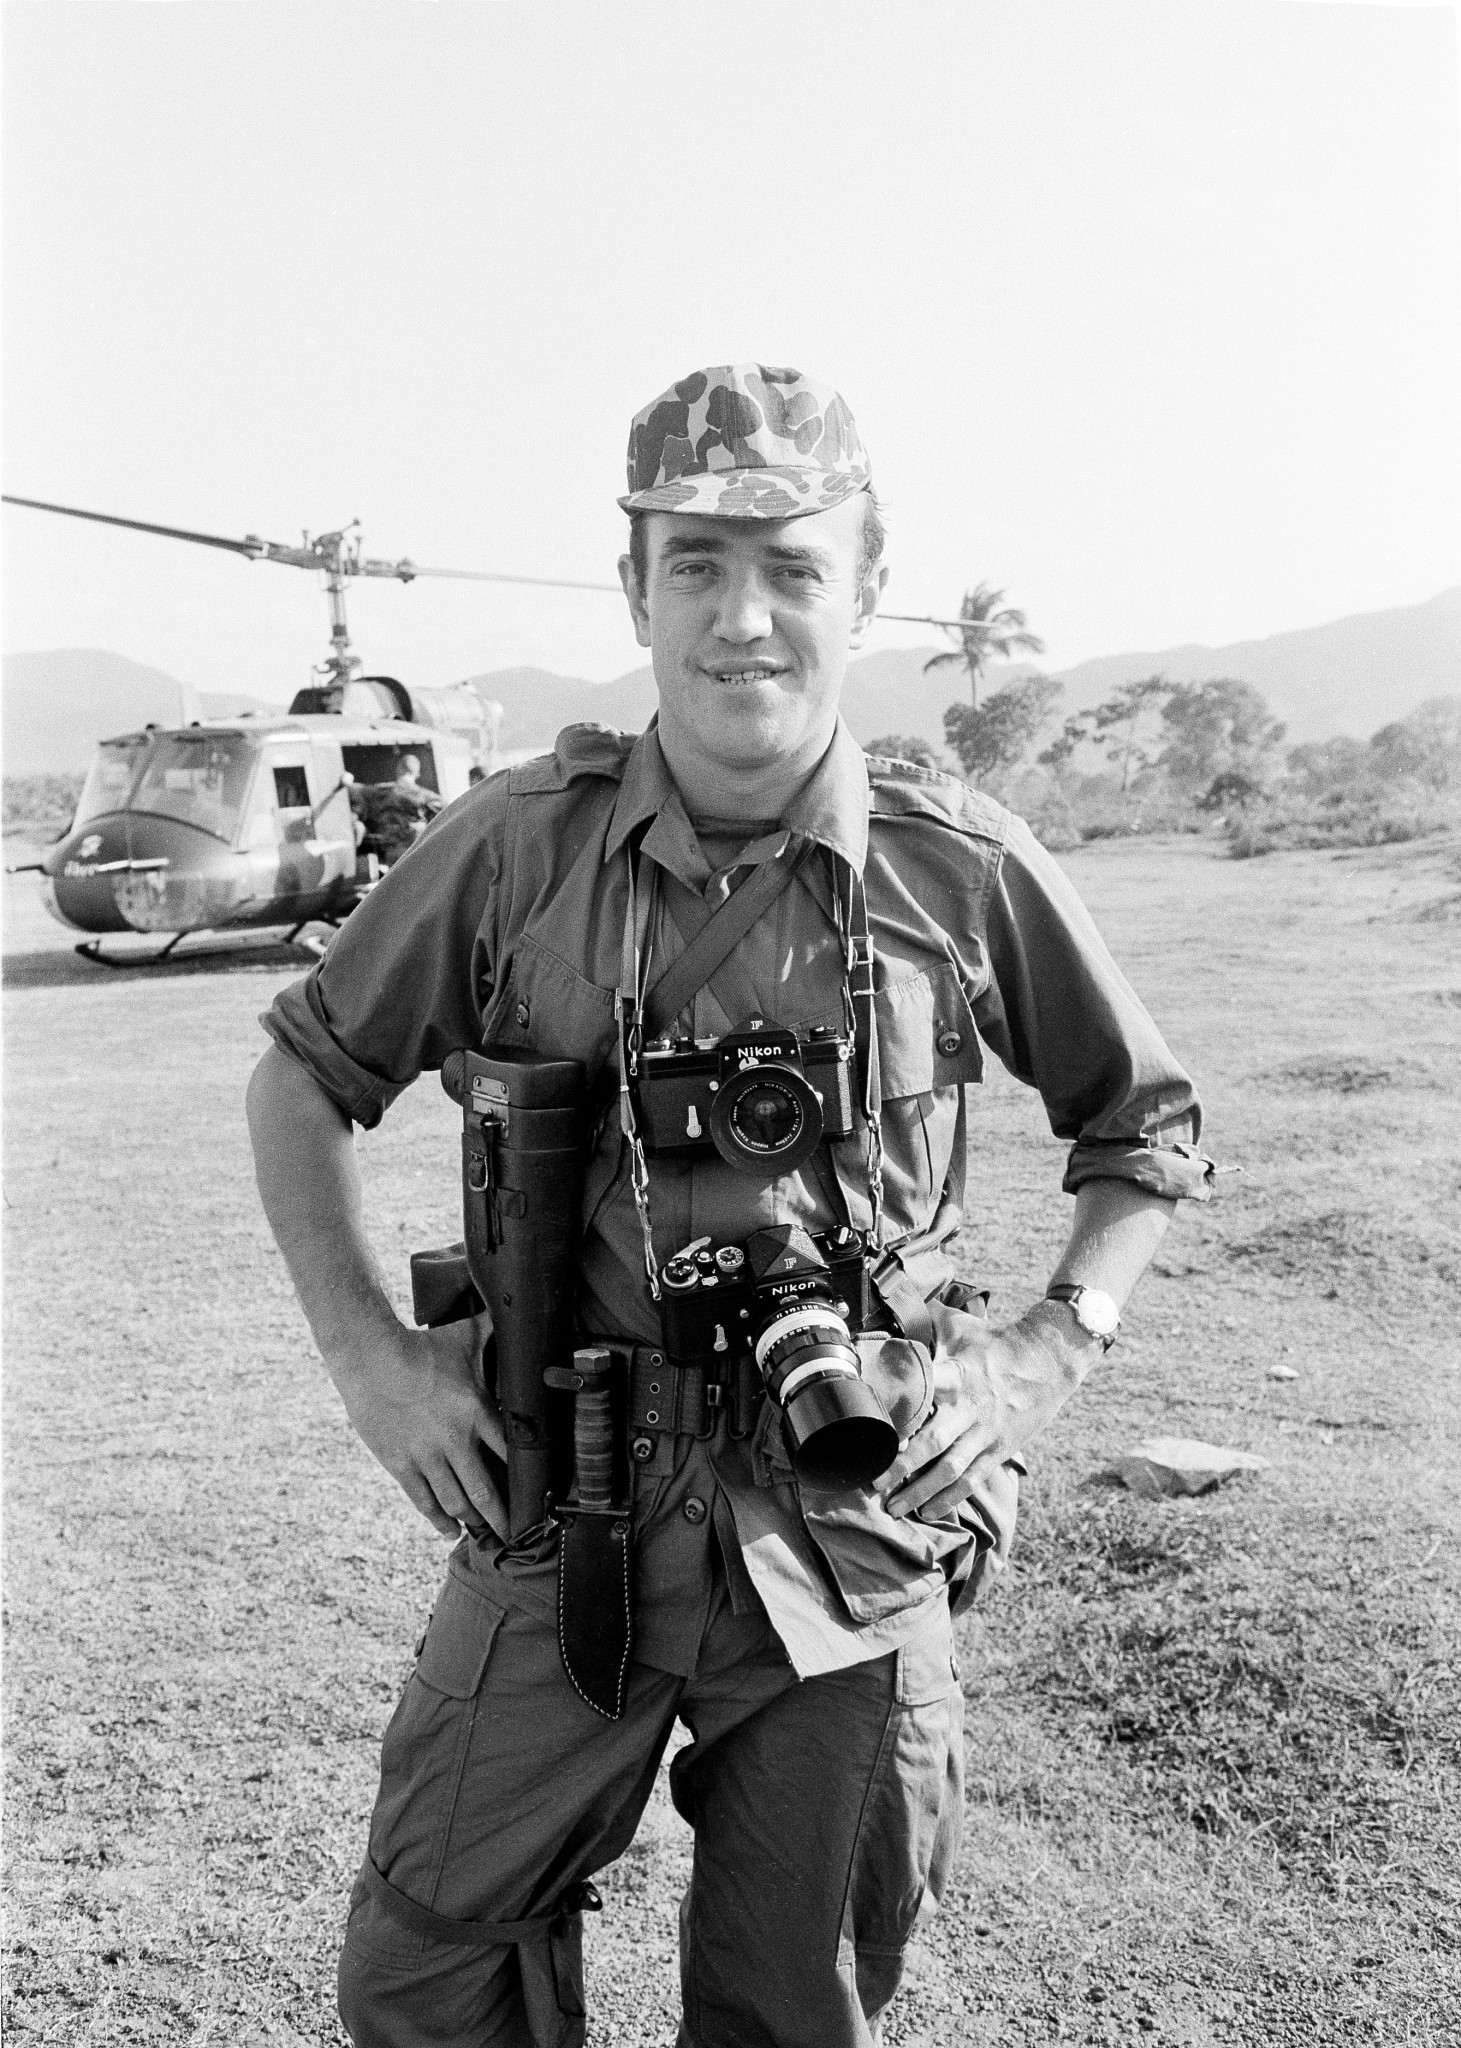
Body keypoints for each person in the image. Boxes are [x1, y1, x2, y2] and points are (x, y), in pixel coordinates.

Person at [247, 363, 1212, 2048]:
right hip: (569, 1492)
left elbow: (1143, 1132)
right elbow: (300, 1076)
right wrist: (374, 1364)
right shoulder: (513, 850)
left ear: (866, 580)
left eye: (790, 567)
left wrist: (1047, 1355)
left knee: (798, 2004)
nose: (742, 617)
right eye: (694, 563)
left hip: (848, 1513)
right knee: (425, 1965)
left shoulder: (955, 864)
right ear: (634, 585)